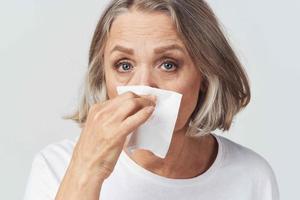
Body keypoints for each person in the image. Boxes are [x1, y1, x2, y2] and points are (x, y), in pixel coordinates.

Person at [23, 0, 280, 199]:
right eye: (124, 65)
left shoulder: (251, 176)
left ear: (204, 74)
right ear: (104, 76)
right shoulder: (56, 167)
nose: (143, 86)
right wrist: (87, 170)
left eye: (168, 64)